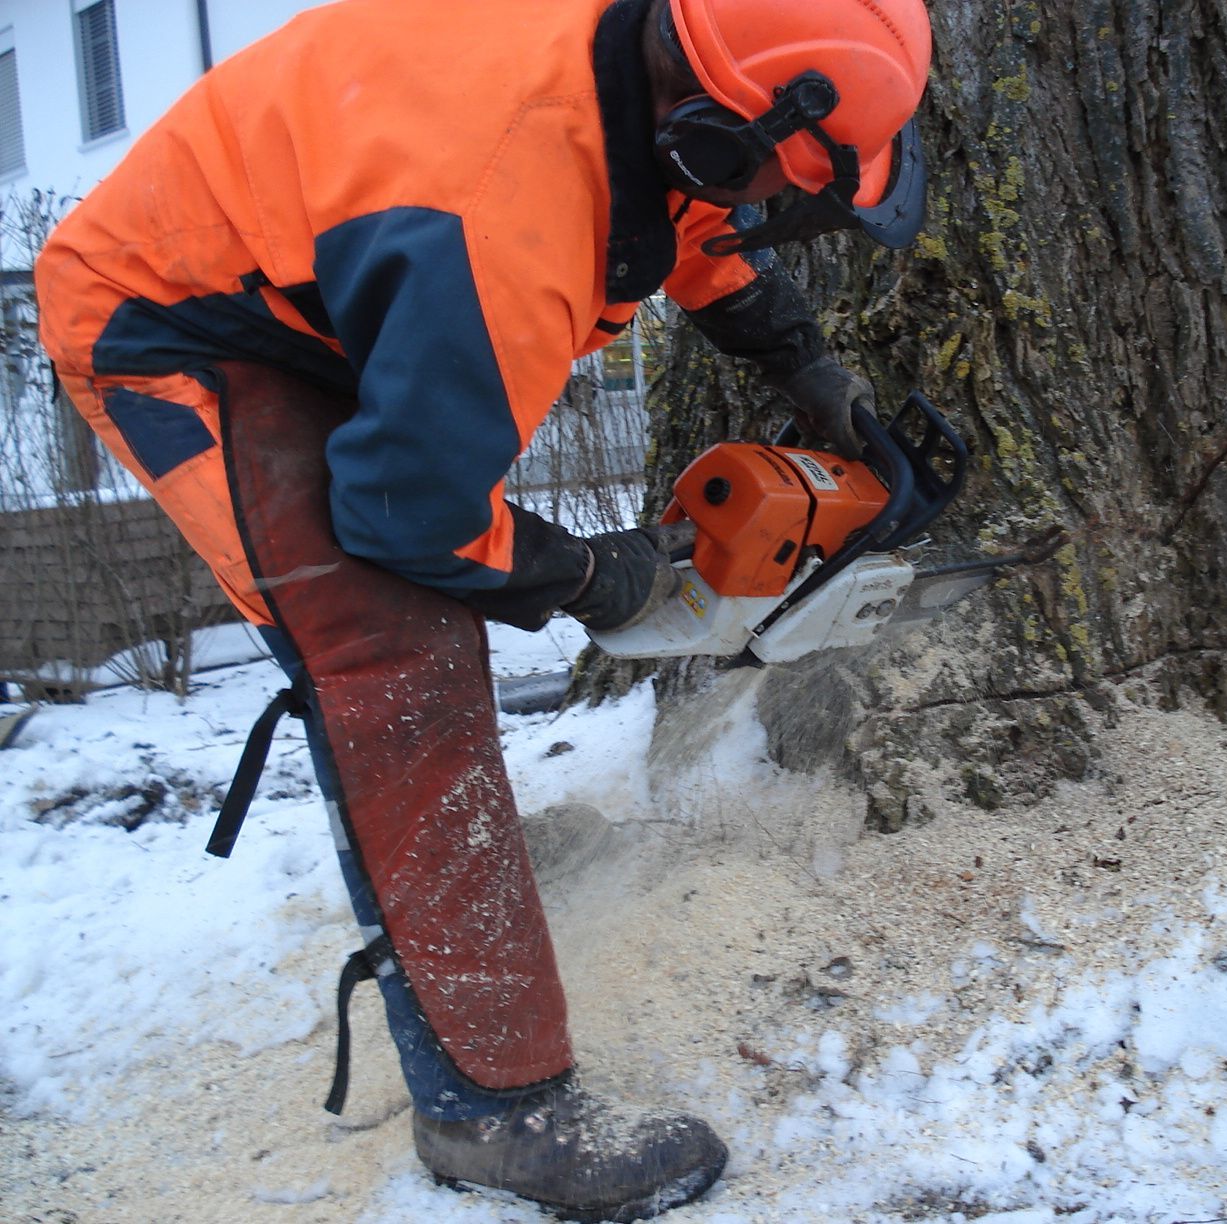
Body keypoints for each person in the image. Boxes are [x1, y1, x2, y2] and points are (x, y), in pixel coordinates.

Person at [34, 0, 932, 1217]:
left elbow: (694, 220)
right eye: (782, 175)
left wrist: (795, 357)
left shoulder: (654, 67)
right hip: (173, 318)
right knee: (392, 660)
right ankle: (494, 1113)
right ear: (709, 126)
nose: (770, 195)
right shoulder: (506, 216)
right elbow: (409, 513)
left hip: (318, 264)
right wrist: (582, 577)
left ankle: (463, 965)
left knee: (414, 588)